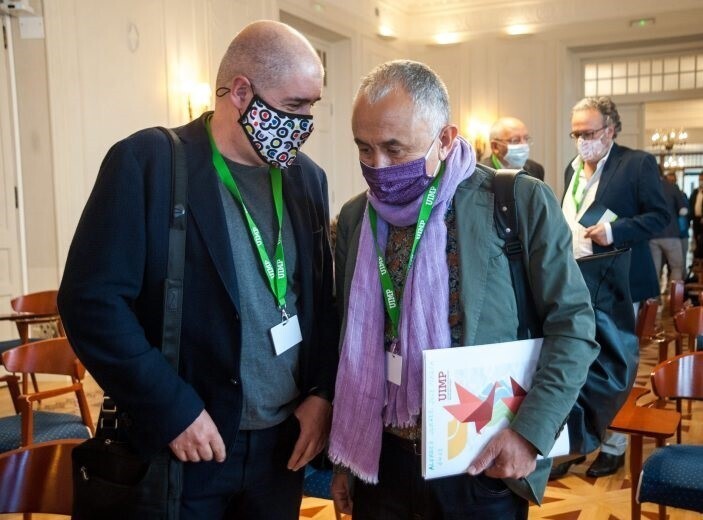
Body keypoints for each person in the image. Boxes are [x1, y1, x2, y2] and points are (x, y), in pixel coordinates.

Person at [58, 20, 338, 519]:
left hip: (281, 450)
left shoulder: (307, 179)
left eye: (312, 107)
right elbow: (92, 303)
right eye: (295, 106)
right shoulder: (150, 162)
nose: (306, 123)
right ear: (241, 93)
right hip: (186, 445)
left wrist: (321, 394)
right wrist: (171, 409)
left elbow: (320, 301)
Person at [328, 60, 598, 519]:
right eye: (364, 148)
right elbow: (348, 343)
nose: (377, 166)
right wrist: (344, 462)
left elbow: (573, 326)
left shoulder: (516, 201)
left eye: (394, 148)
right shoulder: (357, 218)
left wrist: (529, 434)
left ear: (446, 139)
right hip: (380, 462)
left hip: (481, 459)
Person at [558, 96, 669, 479]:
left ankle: (613, 445)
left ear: (610, 129)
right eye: (576, 133)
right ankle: (579, 442)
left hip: (620, 284)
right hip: (576, 283)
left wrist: (615, 231)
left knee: (614, 365)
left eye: (589, 133)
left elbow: (660, 216)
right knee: (577, 362)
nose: (582, 141)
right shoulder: (572, 169)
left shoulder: (636, 163)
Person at [650, 170, 688, 283]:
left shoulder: (648, 188)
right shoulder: (672, 188)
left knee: (654, 270)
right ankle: (674, 293)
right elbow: (683, 211)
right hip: (671, 234)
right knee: (676, 267)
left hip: (652, 235)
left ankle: (654, 294)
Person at [689, 173, 703, 259]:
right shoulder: (695, 192)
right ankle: (697, 259)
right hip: (696, 219)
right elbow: (690, 204)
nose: (701, 181)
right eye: (700, 179)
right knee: (696, 239)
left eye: (702, 179)